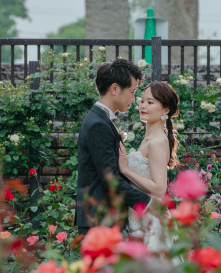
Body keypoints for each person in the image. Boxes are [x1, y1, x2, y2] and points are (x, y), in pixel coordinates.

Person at [75, 59, 151, 236]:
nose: (134, 99)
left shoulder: (99, 119)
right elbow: (110, 178)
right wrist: (146, 203)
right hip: (99, 221)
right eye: (132, 92)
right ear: (115, 89)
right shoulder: (98, 124)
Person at [117, 81, 180, 253]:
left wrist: (125, 170)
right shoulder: (149, 139)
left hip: (151, 219)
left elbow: (159, 188)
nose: (143, 106)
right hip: (141, 216)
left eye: (150, 102)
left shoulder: (157, 141)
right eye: (142, 101)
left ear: (165, 110)